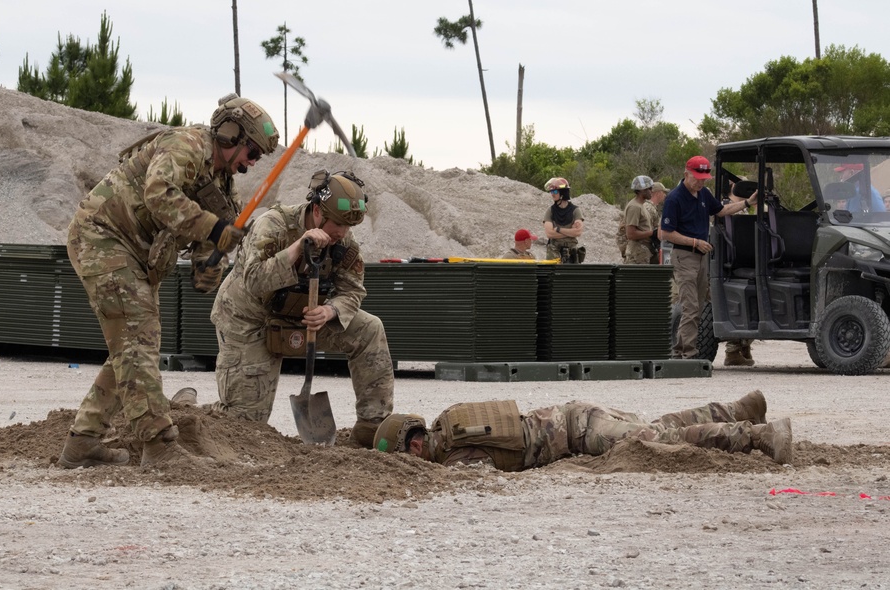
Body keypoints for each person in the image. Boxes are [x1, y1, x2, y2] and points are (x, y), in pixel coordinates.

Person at [57, 94, 280, 469]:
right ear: (229, 135)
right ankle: (159, 445)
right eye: (251, 152)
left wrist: (207, 265)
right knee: (138, 341)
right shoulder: (187, 145)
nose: (251, 163)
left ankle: (83, 443)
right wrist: (215, 228)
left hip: (137, 256)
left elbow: (205, 240)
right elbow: (159, 194)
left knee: (131, 347)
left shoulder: (222, 186)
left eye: (257, 158)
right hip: (103, 238)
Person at [211, 169, 394, 448]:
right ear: (318, 211)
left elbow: (353, 290)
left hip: (306, 315)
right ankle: (196, 417)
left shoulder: (343, 242)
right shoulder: (272, 225)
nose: (343, 233)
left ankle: (371, 427)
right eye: (339, 225)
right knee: (245, 425)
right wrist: (297, 247)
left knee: (370, 329)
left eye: (349, 227)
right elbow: (255, 281)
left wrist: (330, 311)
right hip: (250, 318)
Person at [373, 390, 791, 471]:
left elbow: (477, 478)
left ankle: (757, 436)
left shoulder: (455, 459)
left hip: (578, 433)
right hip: (574, 416)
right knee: (655, 428)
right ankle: (736, 409)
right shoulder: (451, 419)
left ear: (413, 445)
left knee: (655, 441)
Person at [661, 156, 756, 359]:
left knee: (698, 305)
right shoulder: (674, 198)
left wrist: (747, 202)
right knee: (690, 306)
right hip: (684, 256)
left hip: (701, 257)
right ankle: (690, 354)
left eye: (704, 178)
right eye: (697, 177)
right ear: (686, 174)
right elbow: (666, 233)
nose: (701, 181)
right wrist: (694, 242)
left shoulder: (704, 194)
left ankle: (679, 351)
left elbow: (721, 211)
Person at [721, 178, 755, 367]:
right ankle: (733, 350)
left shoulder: (744, 206)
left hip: (745, 260)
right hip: (732, 264)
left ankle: (743, 346)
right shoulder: (725, 206)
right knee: (738, 303)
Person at [542, 177, 585, 263]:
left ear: (562, 193)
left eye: (554, 191)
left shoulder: (575, 210)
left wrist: (558, 230)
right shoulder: (550, 211)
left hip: (571, 253)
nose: (552, 194)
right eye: (551, 192)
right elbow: (549, 233)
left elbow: (578, 232)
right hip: (554, 252)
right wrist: (570, 232)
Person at [623, 175, 660, 264]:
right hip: (637, 254)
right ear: (641, 190)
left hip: (643, 251)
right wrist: (653, 233)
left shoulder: (641, 205)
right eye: (649, 188)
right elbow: (630, 234)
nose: (652, 191)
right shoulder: (634, 207)